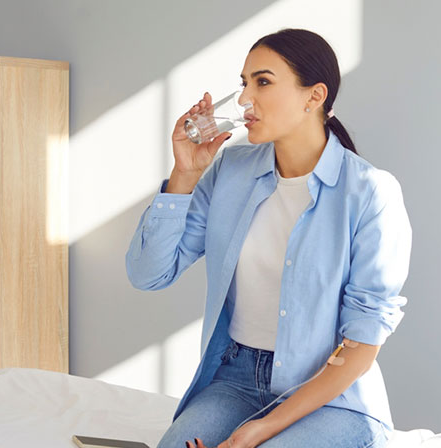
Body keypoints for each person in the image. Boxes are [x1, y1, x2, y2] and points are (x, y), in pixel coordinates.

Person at [126, 28, 412, 448]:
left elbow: (362, 344)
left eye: (262, 82)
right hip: (235, 380)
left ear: (314, 96)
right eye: (245, 83)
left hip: (331, 395)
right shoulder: (230, 171)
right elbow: (148, 274)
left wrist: (263, 429)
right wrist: (185, 175)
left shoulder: (371, 191)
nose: (244, 99)